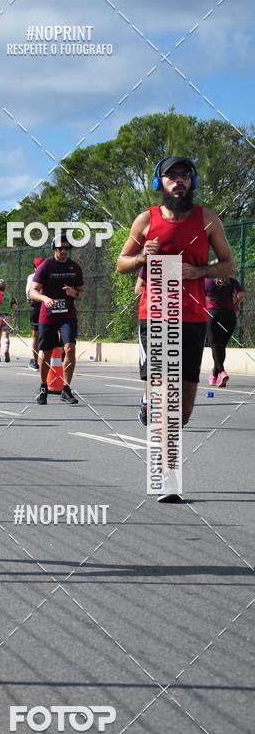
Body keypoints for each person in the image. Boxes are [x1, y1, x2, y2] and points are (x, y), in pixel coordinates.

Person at [116, 155, 235, 501]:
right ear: (160, 183)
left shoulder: (207, 219)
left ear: (192, 182)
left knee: (183, 409)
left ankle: (147, 410)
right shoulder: (146, 220)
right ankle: (168, 478)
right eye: (171, 176)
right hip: (155, 316)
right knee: (166, 399)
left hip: (194, 319)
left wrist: (199, 272)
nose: (178, 181)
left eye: (184, 176)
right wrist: (142, 258)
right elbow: (122, 263)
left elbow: (228, 263)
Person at [31, 234, 84, 405]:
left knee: (69, 348)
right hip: (48, 315)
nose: (64, 251)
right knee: (46, 352)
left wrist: (74, 293)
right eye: (60, 248)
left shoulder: (74, 268)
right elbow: (33, 291)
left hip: (67, 315)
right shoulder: (46, 266)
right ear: (54, 248)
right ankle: (43, 386)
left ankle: (66, 388)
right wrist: (44, 299)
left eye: (67, 248)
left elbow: (81, 293)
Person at [204, 275, 244, 387]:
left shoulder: (207, 281)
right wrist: (235, 303)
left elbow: (204, 298)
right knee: (221, 347)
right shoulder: (232, 281)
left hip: (213, 314)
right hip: (230, 316)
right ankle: (214, 376)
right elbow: (240, 295)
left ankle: (221, 372)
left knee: (215, 345)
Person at [26, 257, 44, 370]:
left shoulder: (32, 277)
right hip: (47, 305)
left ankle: (36, 362)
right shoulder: (49, 274)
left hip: (36, 305)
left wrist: (29, 299)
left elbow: (28, 292)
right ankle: (50, 358)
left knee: (35, 335)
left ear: (34, 267)